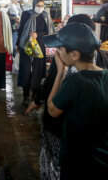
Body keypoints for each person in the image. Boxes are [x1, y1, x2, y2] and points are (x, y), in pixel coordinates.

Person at [25, 14, 108, 180]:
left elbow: (53, 110)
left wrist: (60, 72)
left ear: (75, 55)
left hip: (78, 157)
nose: (56, 52)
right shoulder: (105, 73)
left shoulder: (76, 80)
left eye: (60, 49)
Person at [16, 0, 55, 105]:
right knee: (26, 70)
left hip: (39, 46)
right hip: (26, 45)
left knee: (37, 71)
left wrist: (38, 34)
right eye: (38, 5)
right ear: (34, 5)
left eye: (42, 6)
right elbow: (21, 29)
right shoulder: (26, 14)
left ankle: (34, 95)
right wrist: (18, 43)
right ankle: (25, 95)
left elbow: (48, 31)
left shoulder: (45, 15)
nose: (40, 8)